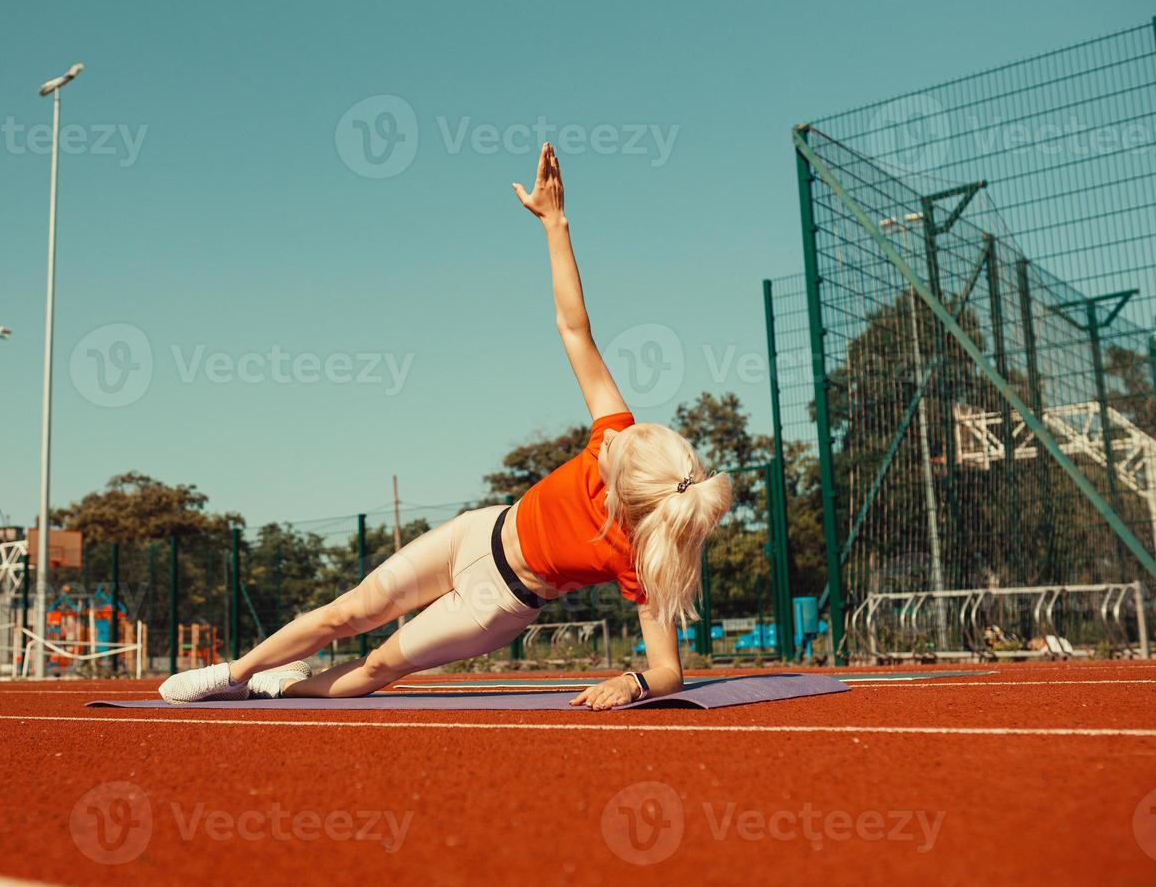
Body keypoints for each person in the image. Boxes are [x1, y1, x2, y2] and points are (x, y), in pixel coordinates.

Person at [159, 143, 733, 710]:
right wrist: (555, 222)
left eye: (619, 450)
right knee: (349, 610)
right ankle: (232, 674)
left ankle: (281, 684)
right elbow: (574, 328)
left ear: (628, 491)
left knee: (378, 666)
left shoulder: (639, 553)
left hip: (497, 603)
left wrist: (632, 682)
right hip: (475, 534)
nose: (609, 440)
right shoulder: (614, 433)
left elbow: (668, 673)